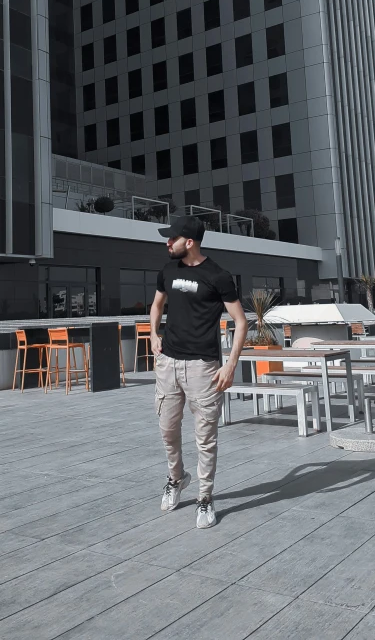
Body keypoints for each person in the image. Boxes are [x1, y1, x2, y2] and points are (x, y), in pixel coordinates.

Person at [150, 215, 248, 529]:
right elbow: (157, 305)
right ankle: (176, 478)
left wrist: (230, 364)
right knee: (167, 429)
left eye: (172, 238)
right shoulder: (167, 270)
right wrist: (153, 334)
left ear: (189, 242)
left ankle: (205, 497)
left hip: (203, 367)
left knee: (205, 438)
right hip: (168, 363)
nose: (167, 242)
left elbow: (241, 322)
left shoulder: (218, 276)